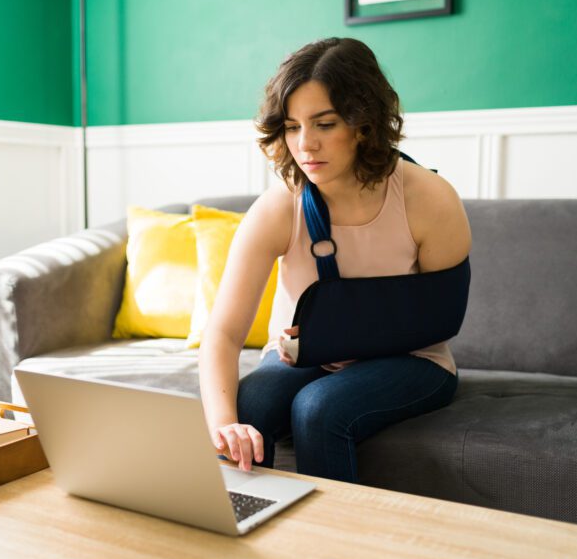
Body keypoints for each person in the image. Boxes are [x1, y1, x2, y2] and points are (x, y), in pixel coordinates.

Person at [198, 37, 472, 483]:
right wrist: (223, 426)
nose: (305, 145)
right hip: (303, 359)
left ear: (364, 123)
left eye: (324, 124)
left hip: (416, 362)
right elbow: (224, 334)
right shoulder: (277, 209)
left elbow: (442, 318)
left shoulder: (430, 200)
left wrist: (340, 335)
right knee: (249, 405)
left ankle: (330, 548)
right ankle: (240, 526)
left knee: (318, 408)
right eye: (291, 126)